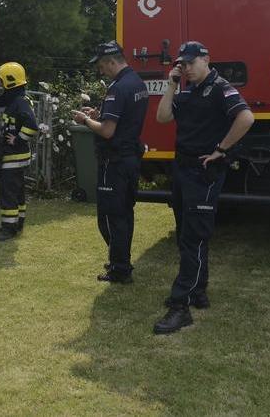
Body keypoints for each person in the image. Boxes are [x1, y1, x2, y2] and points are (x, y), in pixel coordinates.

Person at [153, 41, 254, 334]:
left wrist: (222, 148)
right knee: (188, 232)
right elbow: (162, 117)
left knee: (192, 239)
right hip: (183, 169)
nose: (185, 68)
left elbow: (246, 117)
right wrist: (171, 84)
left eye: (189, 63)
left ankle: (180, 305)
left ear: (206, 59)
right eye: (181, 64)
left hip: (203, 173)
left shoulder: (221, 87)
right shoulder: (187, 90)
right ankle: (198, 291)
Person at [71, 40, 149, 284]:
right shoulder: (137, 82)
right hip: (130, 158)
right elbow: (121, 119)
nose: (100, 71)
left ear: (111, 62)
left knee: (109, 217)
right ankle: (121, 260)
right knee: (125, 212)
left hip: (114, 162)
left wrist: (84, 120)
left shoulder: (117, 88)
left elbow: (106, 131)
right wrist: (100, 114)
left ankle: (119, 267)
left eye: (102, 66)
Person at [0, 62, 39, 241]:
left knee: (8, 193)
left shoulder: (19, 102)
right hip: (16, 157)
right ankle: (17, 223)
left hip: (13, 157)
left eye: (1, 82)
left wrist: (17, 139)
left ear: (10, 82)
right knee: (17, 192)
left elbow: (32, 126)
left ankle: (9, 228)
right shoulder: (18, 99)